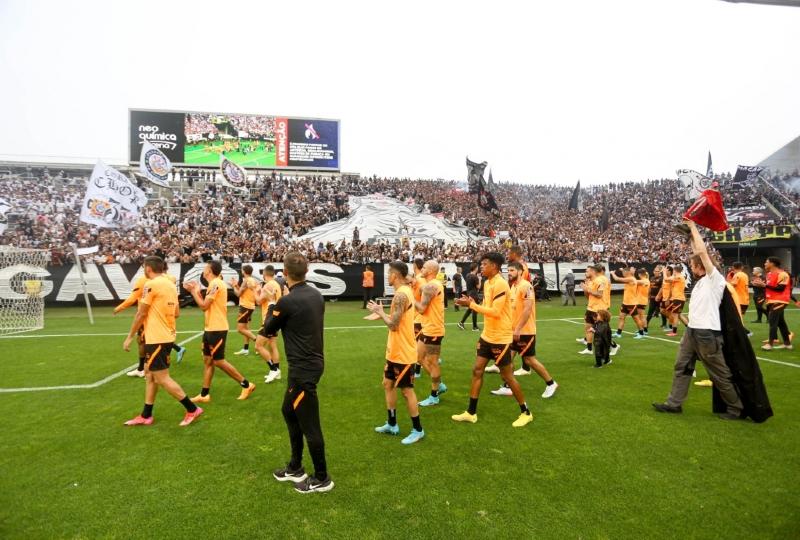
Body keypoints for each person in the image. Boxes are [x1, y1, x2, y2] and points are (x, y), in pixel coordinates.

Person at [652, 221, 744, 420]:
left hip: (707, 334)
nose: (691, 267)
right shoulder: (703, 280)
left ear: (699, 267)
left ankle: (736, 408)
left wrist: (693, 227)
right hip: (693, 331)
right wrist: (690, 237)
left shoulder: (715, 279)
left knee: (718, 373)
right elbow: (698, 252)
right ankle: (674, 404)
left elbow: (702, 253)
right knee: (682, 366)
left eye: (693, 265)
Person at [266, 252, 334, 492]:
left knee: (310, 424)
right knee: (288, 410)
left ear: (285, 274)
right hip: (310, 364)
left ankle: (322, 478)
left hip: (303, 369)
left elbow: (267, 330)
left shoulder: (286, 301)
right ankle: (295, 467)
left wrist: (273, 301)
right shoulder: (316, 294)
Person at [452, 252, 533, 428]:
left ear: (494, 267)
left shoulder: (501, 284)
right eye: (481, 264)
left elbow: (496, 312)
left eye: (485, 264)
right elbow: (489, 308)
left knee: (508, 377)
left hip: (500, 338)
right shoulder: (488, 283)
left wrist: (471, 305)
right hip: (487, 335)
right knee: (477, 370)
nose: (481, 267)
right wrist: (473, 302)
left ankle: (526, 412)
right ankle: (471, 413)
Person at [122, 256, 203, 427]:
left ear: (148, 268)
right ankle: (146, 415)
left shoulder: (151, 285)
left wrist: (130, 336)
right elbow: (177, 313)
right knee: (150, 375)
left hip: (157, 338)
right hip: (166, 336)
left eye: (144, 267)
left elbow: (141, 313)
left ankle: (192, 409)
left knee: (162, 378)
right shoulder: (170, 284)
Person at [368, 261, 425, 445]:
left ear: (396, 275)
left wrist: (380, 311)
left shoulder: (401, 295)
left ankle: (418, 430)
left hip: (403, 352)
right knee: (387, 384)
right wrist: (382, 314)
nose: (387, 276)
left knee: (407, 391)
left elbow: (393, 324)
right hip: (395, 350)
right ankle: (392, 424)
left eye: (389, 273)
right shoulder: (404, 291)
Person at [183, 260, 256, 403]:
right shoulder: (213, 284)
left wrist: (193, 292)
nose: (203, 270)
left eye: (205, 268)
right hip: (210, 327)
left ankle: (246, 384)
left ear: (209, 271)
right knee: (208, 360)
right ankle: (204, 395)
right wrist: (197, 291)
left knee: (219, 361)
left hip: (217, 328)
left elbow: (204, 306)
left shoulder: (216, 283)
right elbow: (207, 304)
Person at [490, 261, 558, 398]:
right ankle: (507, 386)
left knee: (529, 360)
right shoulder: (513, 287)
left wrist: (518, 329)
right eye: (508, 271)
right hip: (513, 331)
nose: (509, 273)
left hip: (524, 331)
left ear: (520, 271)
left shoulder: (526, 286)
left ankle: (551, 383)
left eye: (512, 270)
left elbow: (527, 309)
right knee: (507, 360)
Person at [413, 260, 447, 407]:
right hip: (427, 328)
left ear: (431, 270)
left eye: (425, 267)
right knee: (418, 357)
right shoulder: (430, 284)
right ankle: (438, 384)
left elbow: (421, 309)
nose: (423, 268)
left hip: (433, 329)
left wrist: (409, 297)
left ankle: (434, 395)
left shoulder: (432, 286)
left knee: (433, 363)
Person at [114, 269, 150, 378]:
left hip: (146, 317)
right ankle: (142, 369)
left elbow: (132, 299)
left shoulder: (143, 280)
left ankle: (146, 371)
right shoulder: (167, 279)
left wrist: (119, 308)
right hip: (162, 317)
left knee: (143, 342)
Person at [578, 265, 620, 356]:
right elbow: (589, 296)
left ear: (593, 271)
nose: (586, 273)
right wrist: (586, 289)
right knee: (588, 328)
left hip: (600, 308)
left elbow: (599, 295)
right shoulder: (594, 281)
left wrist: (587, 288)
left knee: (601, 332)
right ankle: (589, 349)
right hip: (591, 307)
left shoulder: (601, 280)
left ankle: (614, 346)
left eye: (588, 271)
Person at [255, 265, 283, 383]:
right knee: (272, 346)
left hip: (268, 319)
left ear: (264, 274)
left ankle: (273, 369)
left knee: (258, 346)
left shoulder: (268, 285)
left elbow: (258, 301)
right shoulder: (277, 284)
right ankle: (277, 371)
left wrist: (255, 291)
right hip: (276, 318)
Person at [761, 256, 793, 351]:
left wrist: (764, 285)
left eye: (766, 262)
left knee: (772, 322)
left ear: (772, 263)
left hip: (780, 300)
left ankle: (770, 344)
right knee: (781, 323)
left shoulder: (783, 274)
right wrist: (758, 285)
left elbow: (780, 288)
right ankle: (787, 344)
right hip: (771, 300)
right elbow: (769, 287)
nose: (765, 264)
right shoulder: (769, 274)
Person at [230, 264, 259, 356]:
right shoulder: (251, 280)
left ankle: (258, 342)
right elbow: (243, 292)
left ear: (244, 271)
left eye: (242, 270)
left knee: (240, 329)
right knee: (246, 329)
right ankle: (245, 349)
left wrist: (234, 286)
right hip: (250, 306)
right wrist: (236, 285)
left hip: (245, 306)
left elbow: (238, 294)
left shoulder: (246, 280)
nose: (241, 271)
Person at [610, 266, 646, 340]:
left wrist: (612, 273)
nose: (622, 273)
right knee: (621, 317)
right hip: (625, 303)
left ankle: (641, 333)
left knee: (636, 318)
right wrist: (622, 269)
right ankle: (618, 333)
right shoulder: (630, 278)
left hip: (631, 303)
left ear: (627, 272)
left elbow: (617, 279)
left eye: (623, 272)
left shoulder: (631, 279)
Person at [727, 261, 751, 336]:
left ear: (733, 267)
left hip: (738, 300)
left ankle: (746, 333)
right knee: (737, 319)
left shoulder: (737, 275)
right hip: (745, 300)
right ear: (742, 267)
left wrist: (727, 281)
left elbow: (732, 285)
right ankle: (743, 333)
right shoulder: (745, 275)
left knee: (734, 318)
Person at [663, 265, 686, 337]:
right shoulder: (677, 277)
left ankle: (674, 332)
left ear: (675, 271)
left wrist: (664, 272)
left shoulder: (679, 277)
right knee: (677, 315)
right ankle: (690, 329)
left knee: (675, 315)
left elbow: (666, 279)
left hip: (678, 299)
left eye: (673, 271)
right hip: (676, 298)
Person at [457, 262, 480, 331]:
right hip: (474, 294)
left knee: (470, 310)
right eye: (477, 267)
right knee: (475, 310)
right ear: (475, 268)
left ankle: (461, 323)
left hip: (469, 294)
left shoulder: (468, 275)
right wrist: (480, 278)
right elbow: (478, 286)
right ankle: (474, 327)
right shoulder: (475, 277)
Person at [645, 265, 665, 331]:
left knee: (663, 311)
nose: (656, 272)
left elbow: (662, 288)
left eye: (658, 271)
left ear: (660, 272)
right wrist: (648, 296)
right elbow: (650, 288)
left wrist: (659, 296)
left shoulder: (662, 278)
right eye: (655, 271)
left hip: (660, 298)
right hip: (652, 298)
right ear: (653, 272)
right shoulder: (652, 278)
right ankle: (646, 324)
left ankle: (664, 324)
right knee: (650, 311)